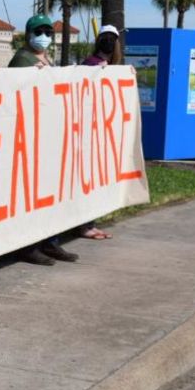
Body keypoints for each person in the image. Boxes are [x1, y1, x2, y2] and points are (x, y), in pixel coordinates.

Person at [6, 14, 79, 266]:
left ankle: (50, 241)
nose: (44, 37)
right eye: (40, 31)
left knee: (49, 194)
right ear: (28, 33)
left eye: (49, 32)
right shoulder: (22, 59)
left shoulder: (45, 58)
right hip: (29, 133)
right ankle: (29, 245)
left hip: (48, 134)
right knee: (31, 194)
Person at [76, 24, 121, 240]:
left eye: (112, 38)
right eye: (106, 38)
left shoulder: (113, 67)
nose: (109, 42)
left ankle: (90, 222)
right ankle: (84, 224)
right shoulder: (90, 64)